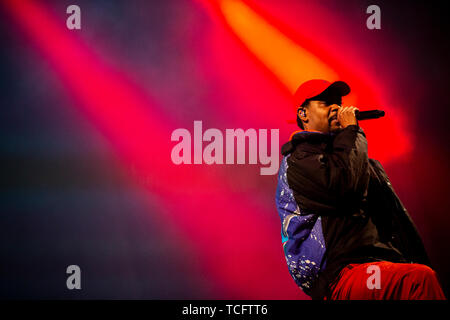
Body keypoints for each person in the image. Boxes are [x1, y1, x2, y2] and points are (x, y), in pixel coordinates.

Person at [275, 79, 446, 300]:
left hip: (379, 267)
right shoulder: (299, 160)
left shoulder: (356, 161)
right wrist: (352, 131)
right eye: (326, 102)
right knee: (419, 280)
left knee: (419, 275)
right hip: (342, 274)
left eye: (338, 102)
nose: (336, 107)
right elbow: (345, 188)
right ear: (304, 114)